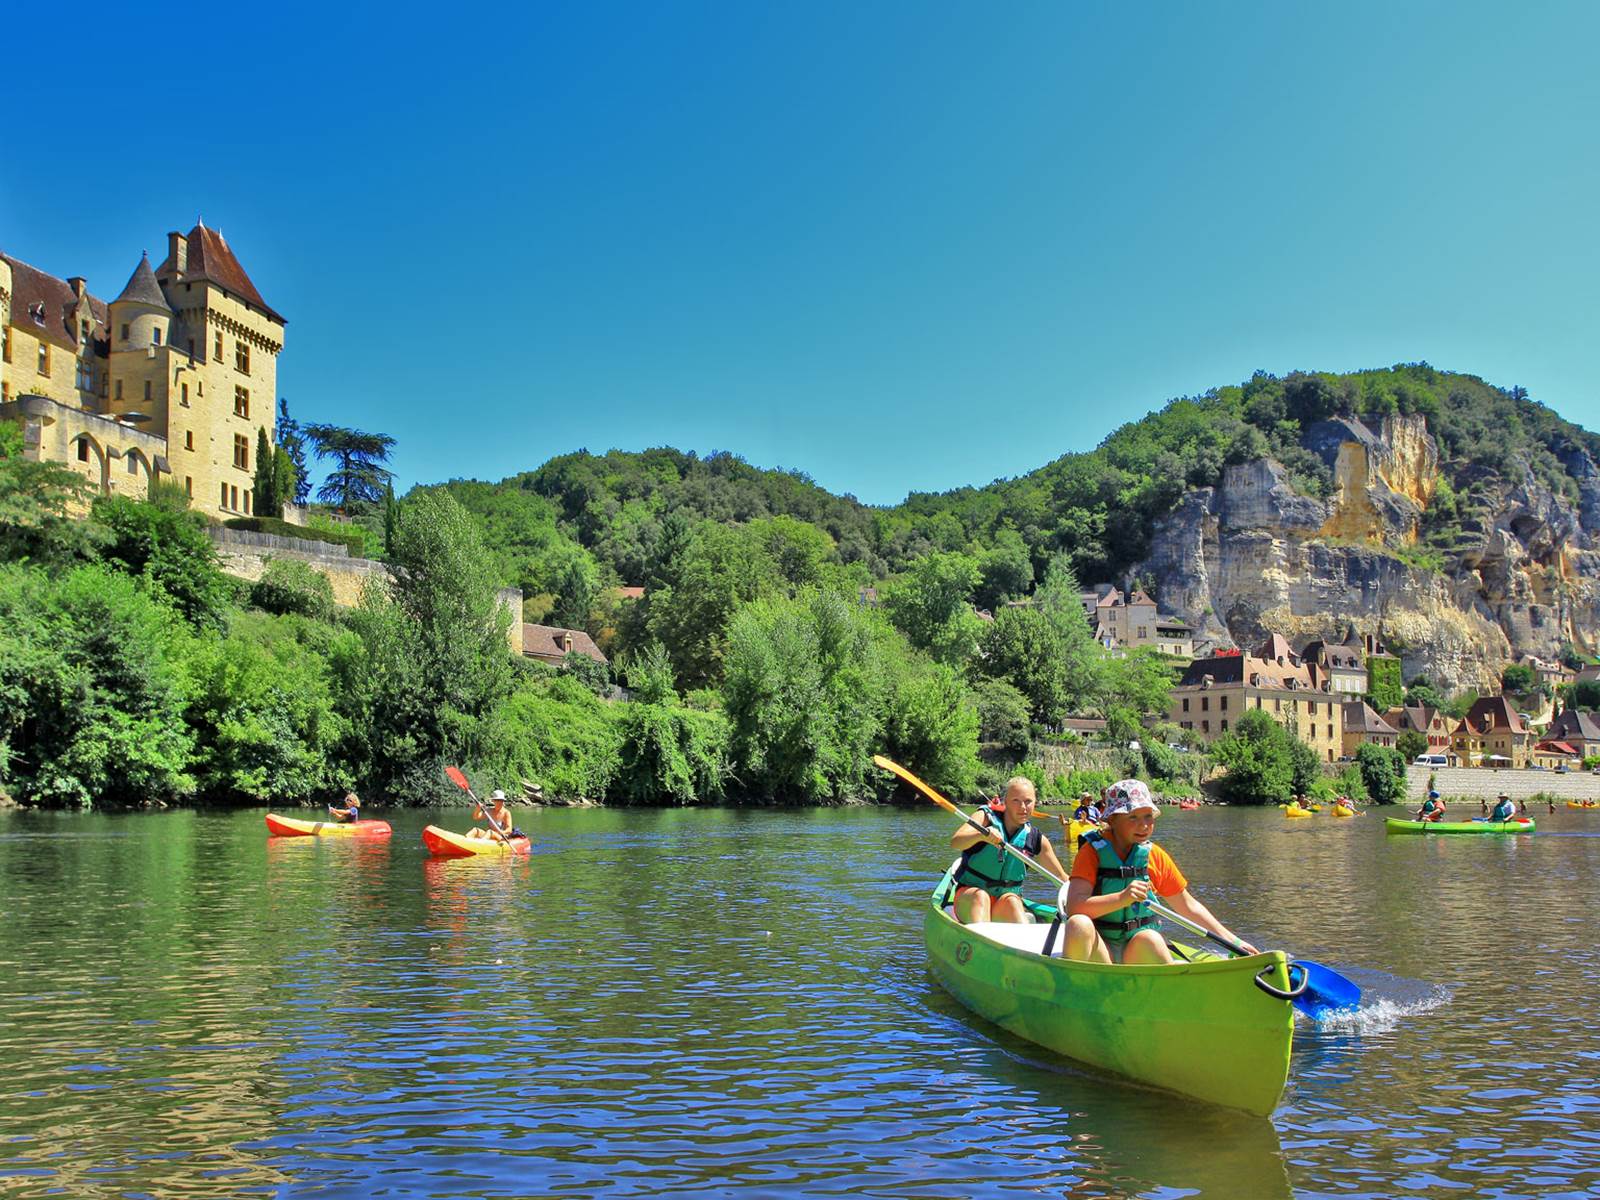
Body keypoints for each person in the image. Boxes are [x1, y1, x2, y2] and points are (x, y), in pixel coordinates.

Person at [1062, 780, 1257, 965]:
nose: (1144, 825)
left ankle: (1166, 989)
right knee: (1078, 924)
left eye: (1148, 816)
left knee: (1152, 938)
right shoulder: (1091, 852)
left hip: (1138, 950)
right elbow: (1074, 907)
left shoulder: (1154, 855)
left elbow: (1188, 906)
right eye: (1133, 817)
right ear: (1112, 819)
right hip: (1100, 950)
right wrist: (1122, 898)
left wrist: (1234, 942)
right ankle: (1076, 988)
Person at [950, 777, 1067, 925]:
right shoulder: (985, 818)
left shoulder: (1036, 839)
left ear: (1035, 803)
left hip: (1004, 903)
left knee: (1013, 900)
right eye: (1016, 801)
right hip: (970, 896)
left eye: (1028, 801)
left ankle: (1021, 945)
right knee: (981, 897)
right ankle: (983, 938)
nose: (1023, 807)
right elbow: (956, 842)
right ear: (1005, 802)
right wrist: (981, 835)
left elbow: (1061, 877)